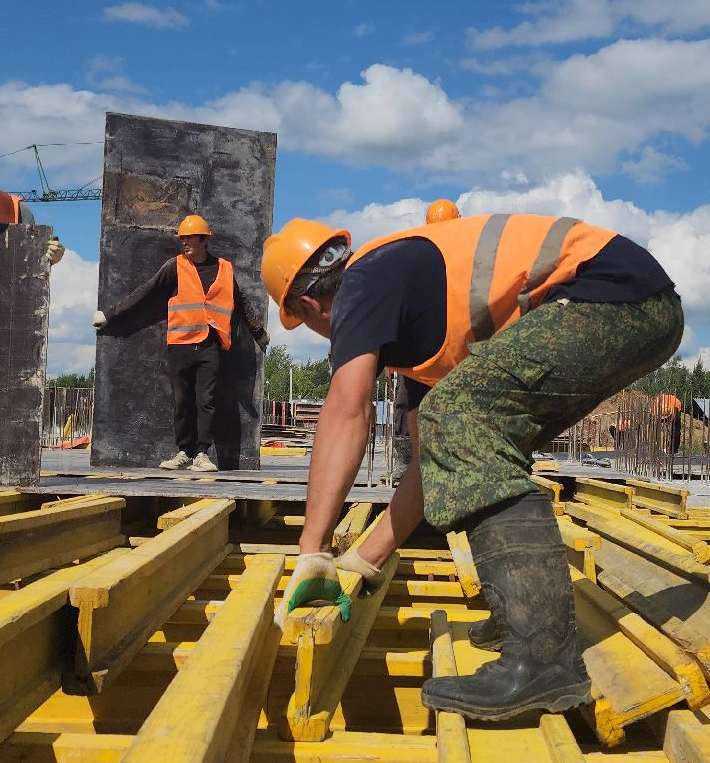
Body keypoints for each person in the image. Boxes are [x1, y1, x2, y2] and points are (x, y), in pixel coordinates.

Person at [261, 211, 682, 719]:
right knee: (458, 425)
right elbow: (431, 460)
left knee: (459, 414)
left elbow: (347, 408)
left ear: (309, 303)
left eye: (307, 325)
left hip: (615, 297)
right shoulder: (416, 329)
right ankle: (524, 618)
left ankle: (542, 660)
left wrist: (313, 551)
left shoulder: (364, 280)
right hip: (633, 304)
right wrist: (363, 561)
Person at [93, 213, 268, 472]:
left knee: (206, 400)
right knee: (182, 402)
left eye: (189, 238)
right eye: (182, 238)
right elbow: (146, 291)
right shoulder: (175, 266)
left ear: (204, 240)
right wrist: (110, 315)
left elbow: (240, 302)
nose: (184, 242)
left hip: (211, 344)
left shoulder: (224, 269)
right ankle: (184, 452)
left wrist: (258, 332)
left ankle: (202, 454)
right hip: (181, 344)